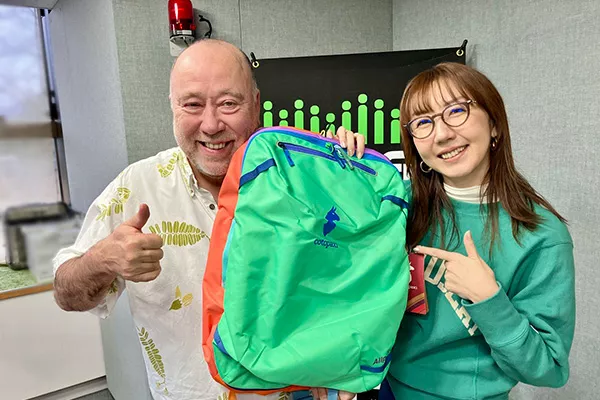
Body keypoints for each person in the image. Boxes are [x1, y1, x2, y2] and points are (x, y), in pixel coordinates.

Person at [53, 38, 356, 400]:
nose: (211, 125)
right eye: (193, 104)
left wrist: (347, 169)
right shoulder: (137, 187)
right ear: (173, 106)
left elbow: (344, 284)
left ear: (256, 104)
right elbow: (66, 294)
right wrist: (102, 260)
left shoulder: (300, 177)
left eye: (229, 103)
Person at [335, 62, 575, 399]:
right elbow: (330, 266)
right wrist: (333, 168)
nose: (442, 134)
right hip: (387, 388)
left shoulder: (540, 235)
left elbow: (548, 368)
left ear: (494, 123)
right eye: (423, 122)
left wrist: (490, 300)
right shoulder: (398, 206)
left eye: (456, 111)